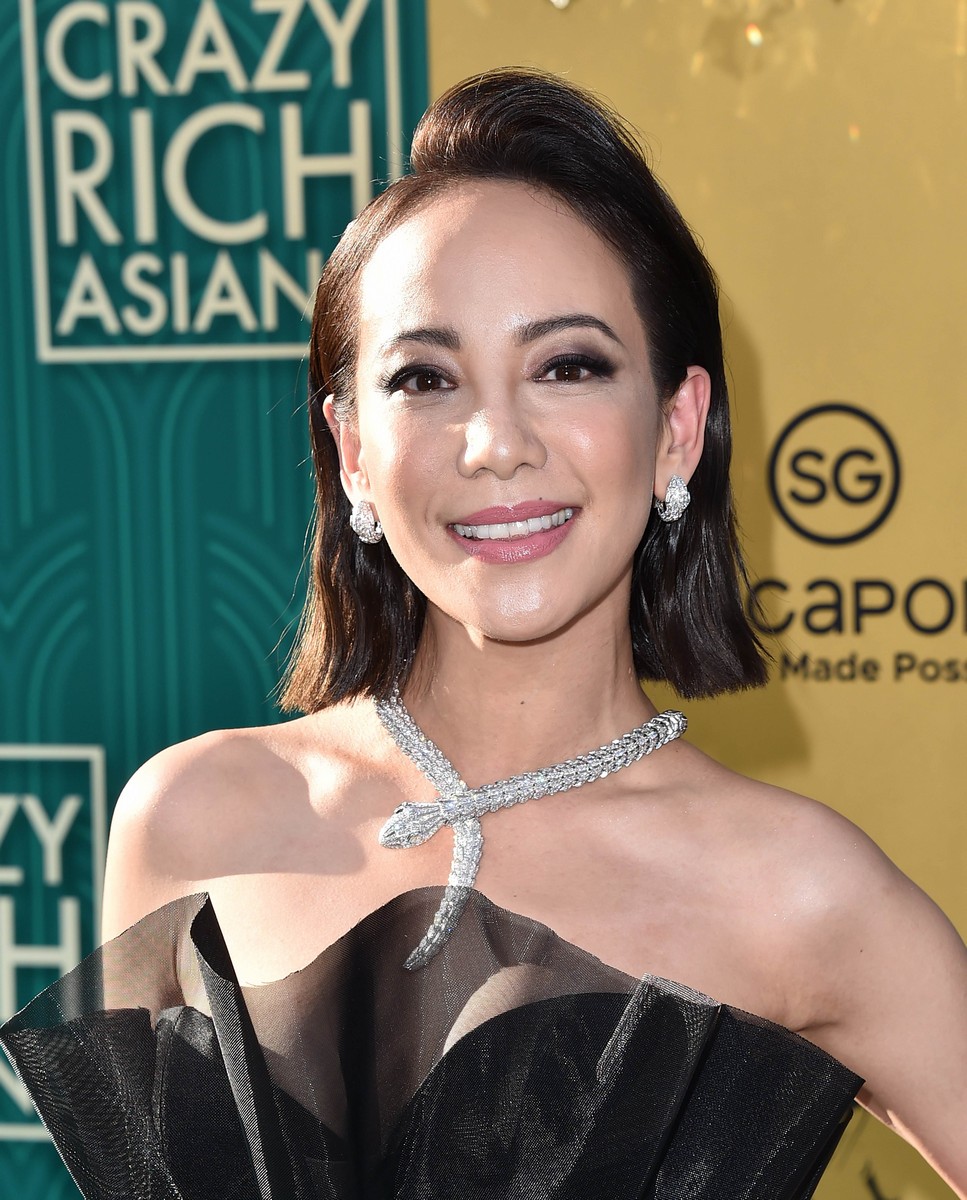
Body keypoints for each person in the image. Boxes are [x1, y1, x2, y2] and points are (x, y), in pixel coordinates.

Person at [2, 68, 965, 1200]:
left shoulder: (803, 894)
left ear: (677, 427)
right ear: (352, 450)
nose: (493, 442)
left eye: (568, 366)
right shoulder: (194, 819)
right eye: (426, 377)